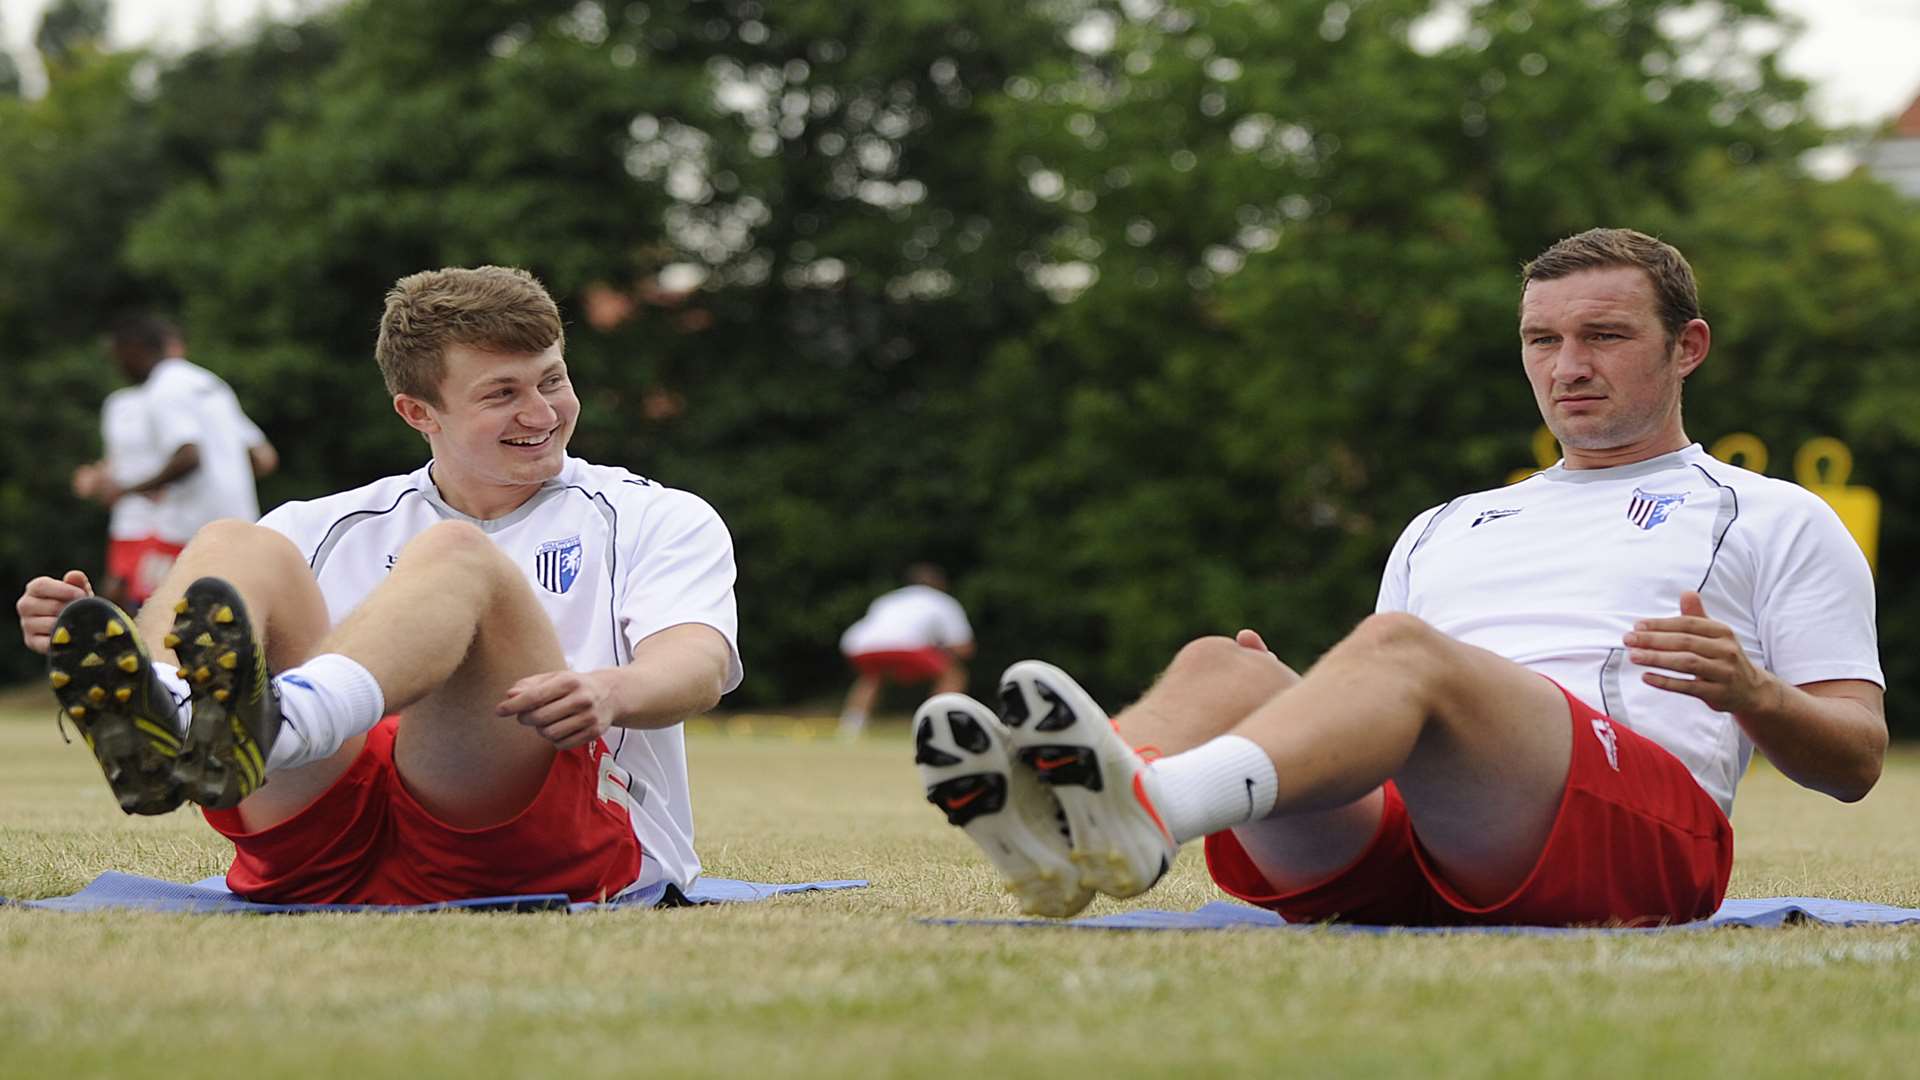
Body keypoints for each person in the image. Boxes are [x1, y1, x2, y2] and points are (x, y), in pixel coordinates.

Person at [914, 228, 1886, 924]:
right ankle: (1052, 822)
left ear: (1689, 348)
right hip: (1427, 847)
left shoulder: (1772, 513)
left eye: (1605, 336)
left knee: (1398, 652)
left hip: (1642, 840)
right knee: (1227, 666)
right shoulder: (1444, 527)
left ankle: (1149, 810)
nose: (1568, 366)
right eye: (1542, 340)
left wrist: (1753, 694)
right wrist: (1293, 701)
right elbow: (1384, 707)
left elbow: (1856, 761)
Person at [19, 266, 741, 903]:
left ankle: (281, 721)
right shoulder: (325, 522)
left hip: (528, 843)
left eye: (552, 379)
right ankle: (160, 703)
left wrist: (609, 691)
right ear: (417, 412)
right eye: (503, 393)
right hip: (322, 852)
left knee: (457, 554)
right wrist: (95, 630)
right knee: (234, 542)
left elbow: (697, 664)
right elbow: (226, 606)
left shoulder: (655, 514)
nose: (542, 413)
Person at [70, 316, 278, 608]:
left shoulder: (162, 389)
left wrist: (130, 489)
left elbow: (189, 456)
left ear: (134, 349)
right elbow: (264, 458)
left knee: (152, 613)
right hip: (239, 521)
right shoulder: (209, 382)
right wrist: (227, 478)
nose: (119, 367)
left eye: (119, 358)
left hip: (188, 530)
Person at [837, 564, 974, 736]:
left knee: (871, 677)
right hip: (908, 646)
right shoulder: (942, 600)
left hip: (858, 645)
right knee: (953, 675)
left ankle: (850, 729)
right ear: (940, 584)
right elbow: (963, 647)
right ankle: (938, 727)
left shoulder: (888, 598)